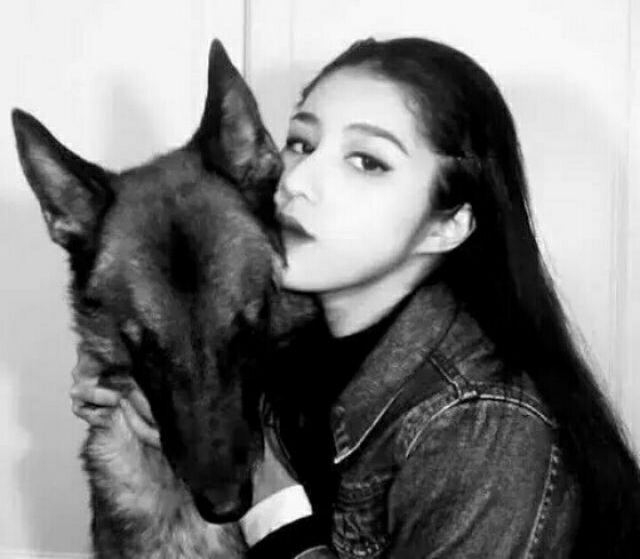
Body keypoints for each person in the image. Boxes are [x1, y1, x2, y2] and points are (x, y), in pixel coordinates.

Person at [70, 37, 640, 557]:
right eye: (300, 143)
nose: (295, 181)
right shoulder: (295, 343)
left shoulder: (481, 429)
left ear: (448, 224)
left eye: (367, 161)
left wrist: (274, 504)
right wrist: (120, 370)